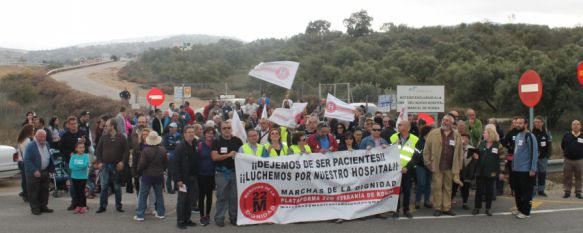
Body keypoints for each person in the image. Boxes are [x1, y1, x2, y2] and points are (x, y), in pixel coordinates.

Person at [423, 114, 463, 217]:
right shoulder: (433, 133)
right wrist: (427, 162)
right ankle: (437, 208)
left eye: (447, 121)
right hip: (437, 165)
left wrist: (459, 165)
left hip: (450, 166)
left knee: (448, 188)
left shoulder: (456, 135)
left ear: (451, 123)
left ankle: (446, 208)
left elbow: (459, 152)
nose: (444, 122)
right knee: (437, 187)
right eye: (444, 120)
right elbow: (426, 149)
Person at [211, 121, 243, 227]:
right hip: (221, 173)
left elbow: (243, 155)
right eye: (224, 128)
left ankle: (233, 217)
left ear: (231, 129)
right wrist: (229, 155)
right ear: (221, 129)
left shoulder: (237, 141)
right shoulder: (216, 141)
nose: (227, 130)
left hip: (235, 173)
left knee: (234, 197)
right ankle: (219, 218)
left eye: (229, 127)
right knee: (221, 196)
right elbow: (214, 157)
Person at [95, 119, 130, 213]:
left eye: (107, 126)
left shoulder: (122, 137)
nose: (105, 127)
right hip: (105, 165)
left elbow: (126, 151)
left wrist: (123, 162)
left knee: (117, 186)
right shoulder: (103, 137)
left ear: (112, 126)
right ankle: (102, 206)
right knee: (104, 186)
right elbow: (98, 150)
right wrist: (99, 162)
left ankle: (118, 206)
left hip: (116, 165)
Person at [472, 125, 505, 216]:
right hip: (480, 171)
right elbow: (475, 156)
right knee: (479, 190)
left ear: (490, 134)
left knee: (489, 191)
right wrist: (475, 157)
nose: (483, 134)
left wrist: (502, 172)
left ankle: (488, 208)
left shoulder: (498, 145)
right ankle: (477, 207)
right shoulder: (480, 143)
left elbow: (502, 160)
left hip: (492, 172)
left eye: (485, 132)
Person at [134, 131, 168, 221]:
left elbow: (141, 164)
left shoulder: (145, 151)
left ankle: (140, 215)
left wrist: (138, 170)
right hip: (159, 175)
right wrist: (161, 169)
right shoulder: (163, 150)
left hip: (147, 176)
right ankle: (161, 213)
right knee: (159, 195)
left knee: (143, 195)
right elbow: (165, 163)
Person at [389, 120, 418, 219]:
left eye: (400, 125)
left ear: (407, 127)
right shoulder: (393, 137)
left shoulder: (414, 139)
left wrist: (407, 167)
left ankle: (406, 210)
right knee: (396, 191)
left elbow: (416, 156)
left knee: (407, 190)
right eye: (398, 125)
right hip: (395, 170)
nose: (398, 126)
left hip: (407, 170)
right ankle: (395, 210)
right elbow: (388, 152)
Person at [511, 117, 538, 219]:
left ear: (526, 124)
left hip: (526, 170)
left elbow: (534, 153)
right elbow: (515, 152)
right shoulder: (518, 135)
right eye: (517, 123)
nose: (518, 125)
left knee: (526, 192)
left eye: (520, 123)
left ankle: (526, 212)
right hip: (517, 169)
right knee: (518, 191)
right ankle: (519, 208)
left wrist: (532, 169)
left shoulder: (529, 136)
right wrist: (513, 165)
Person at [23, 130, 54, 215]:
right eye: (40, 136)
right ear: (36, 137)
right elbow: (27, 160)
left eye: (44, 136)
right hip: (33, 173)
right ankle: (35, 208)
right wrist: (34, 170)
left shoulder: (47, 144)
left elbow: (50, 157)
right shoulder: (30, 146)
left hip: (45, 171)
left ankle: (43, 206)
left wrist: (50, 169)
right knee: (33, 192)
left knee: (44, 191)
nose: (42, 138)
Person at [197, 127, 216, 226]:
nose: (210, 135)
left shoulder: (215, 145)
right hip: (201, 174)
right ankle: (201, 216)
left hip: (211, 174)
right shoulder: (200, 145)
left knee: (209, 196)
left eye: (212, 133)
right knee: (201, 196)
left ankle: (208, 215)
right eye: (208, 133)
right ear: (205, 134)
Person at [412, 126, 434, 209]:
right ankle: (417, 200)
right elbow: (417, 153)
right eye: (431, 131)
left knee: (428, 183)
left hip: (430, 165)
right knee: (421, 183)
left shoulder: (433, 141)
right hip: (420, 165)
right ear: (426, 132)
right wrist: (426, 157)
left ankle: (427, 201)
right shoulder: (419, 141)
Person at [561, 120, 583, 199]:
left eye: (577, 124)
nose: (576, 126)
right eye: (574, 124)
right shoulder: (566, 135)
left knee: (579, 177)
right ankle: (567, 192)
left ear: (580, 126)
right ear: (571, 126)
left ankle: (578, 192)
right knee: (567, 176)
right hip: (568, 160)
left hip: (579, 160)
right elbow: (562, 145)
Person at [532, 116, 552, 197]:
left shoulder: (547, 132)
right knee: (533, 174)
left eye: (538, 122)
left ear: (542, 123)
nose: (536, 123)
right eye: (535, 122)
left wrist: (547, 155)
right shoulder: (531, 132)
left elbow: (549, 146)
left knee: (542, 174)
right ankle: (533, 190)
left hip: (543, 158)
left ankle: (541, 190)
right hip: (533, 158)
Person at [69, 142, 90, 214]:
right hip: (74, 177)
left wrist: (76, 166)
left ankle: (83, 206)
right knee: (77, 192)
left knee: (82, 192)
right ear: (76, 149)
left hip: (83, 177)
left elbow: (85, 165)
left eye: (83, 147)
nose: (82, 149)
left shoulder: (86, 156)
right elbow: (71, 166)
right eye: (80, 147)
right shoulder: (73, 156)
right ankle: (78, 206)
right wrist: (79, 167)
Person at [17, 124, 34, 202]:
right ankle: (27, 194)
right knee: (28, 179)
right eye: (33, 129)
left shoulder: (20, 139)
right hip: (25, 162)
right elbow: (28, 153)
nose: (33, 131)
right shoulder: (27, 140)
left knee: (24, 179)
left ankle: (25, 193)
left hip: (20, 161)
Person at [163, 123, 182, 194]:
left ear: (176, 128)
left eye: (172, 127)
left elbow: (180, 146)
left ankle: (176, 187)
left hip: (178, 156)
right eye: (170, 127)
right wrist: (174, 145)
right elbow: (166, 146)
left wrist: (172, 144)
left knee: (177, 172)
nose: (170, 129)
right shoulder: (166, 136)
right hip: (170, 157)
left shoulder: (179, 136)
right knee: (170, 173)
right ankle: (169, 188)